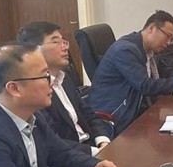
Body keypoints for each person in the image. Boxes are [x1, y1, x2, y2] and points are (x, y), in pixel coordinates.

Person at [88, 10, 173, 134]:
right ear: (151, 28)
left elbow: (167, 71)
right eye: (167, 36)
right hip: (115, 118)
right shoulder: (126, 50)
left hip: (137, 110)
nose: (168, 43)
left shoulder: (150, 51)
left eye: (172, 39)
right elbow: (145, 85)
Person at [17, 21, 110, 155]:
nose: (65, 47)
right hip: (70, 156)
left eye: (63, 41)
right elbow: (52, 140)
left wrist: (102, 141)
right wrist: (94, 151)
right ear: (34, 50)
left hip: (92, 146)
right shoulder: (34, 90)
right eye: (56, 42)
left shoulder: (64, 77)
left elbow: (88, 114)